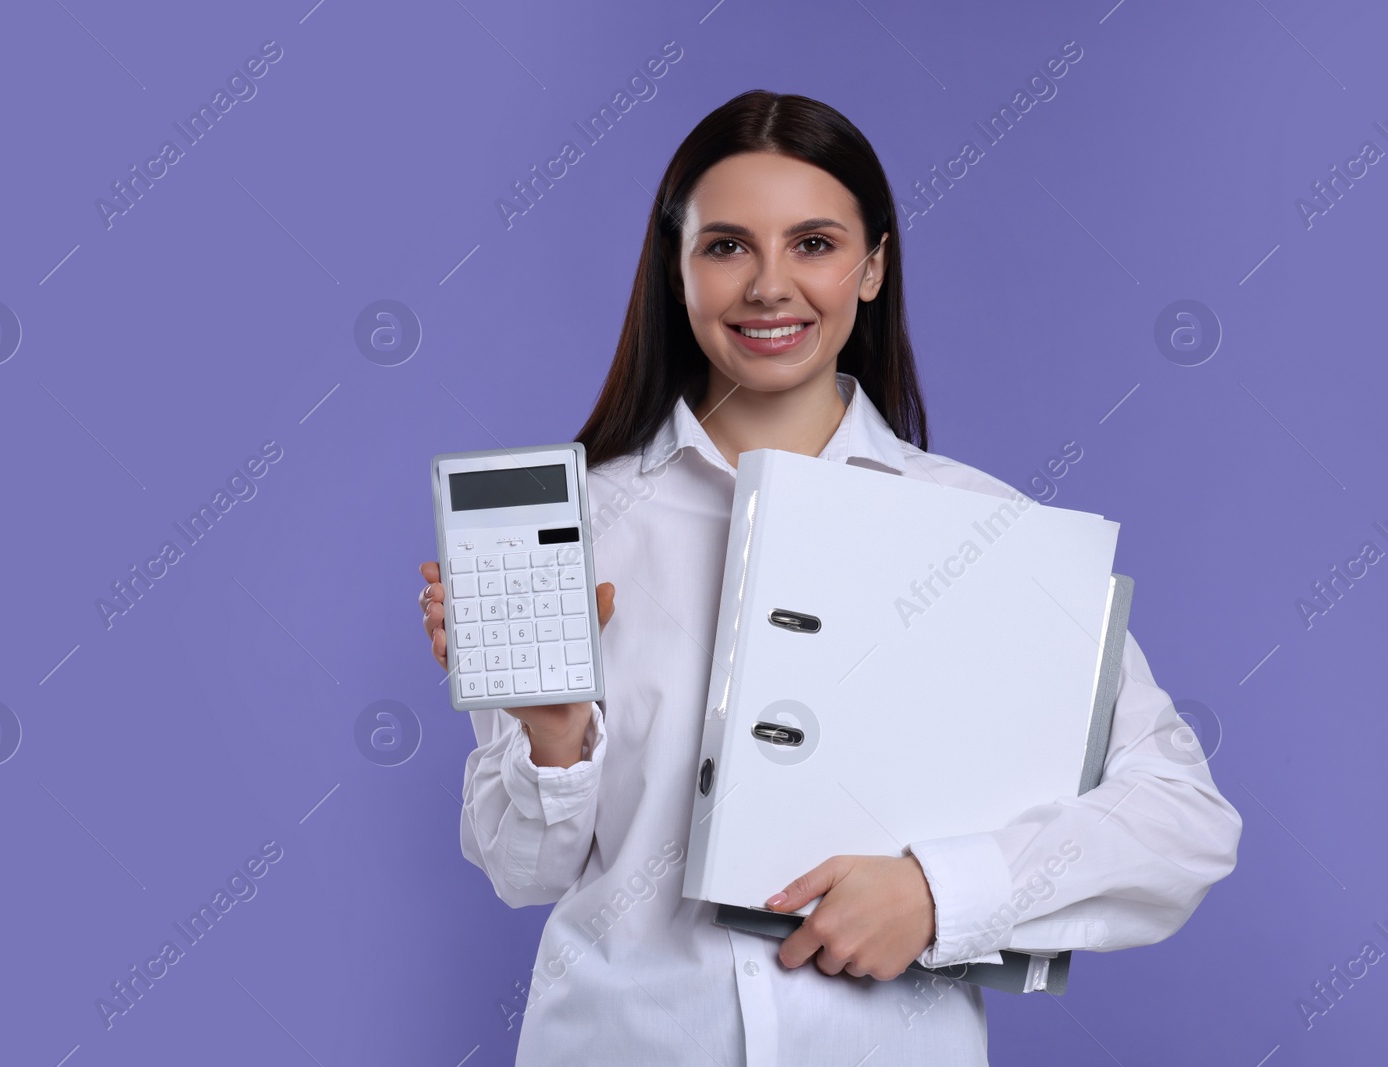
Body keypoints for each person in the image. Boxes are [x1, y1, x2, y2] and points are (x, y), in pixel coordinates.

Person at [416, 89, 1241, 1066]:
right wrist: (552, 734)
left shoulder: (983, 531)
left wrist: (942, 892)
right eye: (726, 246)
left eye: (812, 243)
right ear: (675, 270)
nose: (770, 285)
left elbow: (1183, 816)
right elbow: (525, 871)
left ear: (873, 266)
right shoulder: (579, 526)